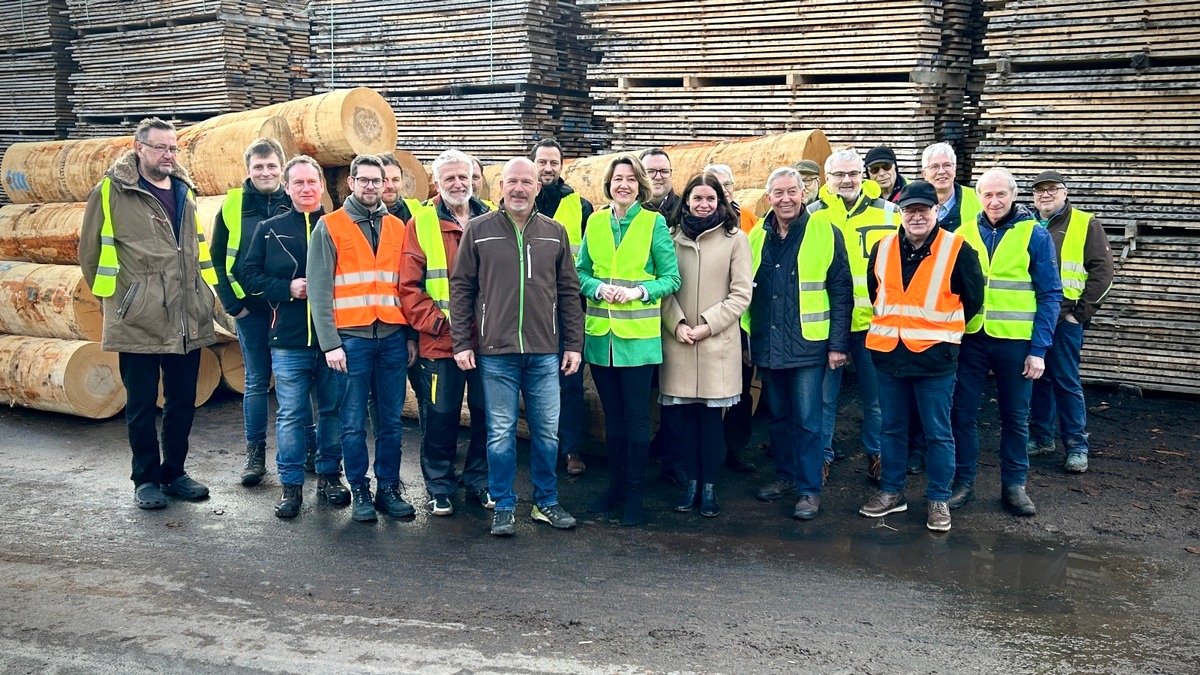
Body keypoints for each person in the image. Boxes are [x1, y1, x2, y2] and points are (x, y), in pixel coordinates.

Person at [79, 117, 218, 509]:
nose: (168, 155)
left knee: (181, 400)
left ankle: (174, 472)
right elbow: (90, 255)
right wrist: (127, 300)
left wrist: (203, 299)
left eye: (173, 148)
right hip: (137, 317)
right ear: (139, 148)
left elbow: (195, 253)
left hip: (187, 316)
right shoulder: (111, 191)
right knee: (140, 404)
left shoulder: (184, 191)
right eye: (160, 147)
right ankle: (145, 479)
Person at [450, 157, 584, 537]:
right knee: (500, 432)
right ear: (500, 187)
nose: (519, 188)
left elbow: (569, 293)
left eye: (526, 182)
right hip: (496, 353)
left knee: (547, 434)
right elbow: (461, 289)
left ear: (536, 188)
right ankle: (504, 505)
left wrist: (573, 344)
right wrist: (462, 341)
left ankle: (545, 502)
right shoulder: (478, 231)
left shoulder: (554, 233)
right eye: (512, 182)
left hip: (545, 352)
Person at [859, 180, 984, 532]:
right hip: (889, 355)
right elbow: (876, 292)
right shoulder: (882, 247)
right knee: (892, 429)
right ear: (900, 212)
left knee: (938, 433)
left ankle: (938, 498)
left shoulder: (958, 249)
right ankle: (892, 493)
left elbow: (972, 301)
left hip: (934, 360)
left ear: (935, 212)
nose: (915, 216)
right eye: (909, 210)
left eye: (923, 210)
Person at [308, 154, 418, 523]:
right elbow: (320, 291)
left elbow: (404, 287)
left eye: (378, 180)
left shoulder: (398, 227)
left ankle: (387, 487)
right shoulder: (329, 226)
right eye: (365, 180)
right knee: (352, 421)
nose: (372, 186)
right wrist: (330, 344)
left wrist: (408, 337)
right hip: (350, 340)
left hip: (390, 337)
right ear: (351, 182)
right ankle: (359, 489)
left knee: (390, 421)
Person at [238, 155, 350, 517]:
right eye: (298, 183)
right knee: (290, 414)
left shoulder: (338, 226)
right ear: (287, 188)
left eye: (311, 182)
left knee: (332, 411)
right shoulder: (270, 228)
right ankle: (290, 486)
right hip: (288, 339)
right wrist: (286, 287)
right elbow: (248, 275)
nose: (306, 188)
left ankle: (331, 476)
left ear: (322, 186)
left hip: (333, 338)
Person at [949, 168, 1062, 517]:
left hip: (1015, 342)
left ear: (1014, 196)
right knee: (962, 414)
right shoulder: (962, 233)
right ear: (978, 197)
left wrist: (1039, 350)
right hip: (970, 339)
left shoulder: (1034, 235)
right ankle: (963, 482)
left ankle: (1014, 485)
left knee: (1015, 416)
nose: (994, 201)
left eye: (1001, 194)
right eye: (987, 194)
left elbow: (1050, 293)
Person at [576, 153, 681, 526]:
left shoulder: (653, 224)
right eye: (618, 179)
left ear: (640, 185)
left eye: (631, 180)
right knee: (613, 418)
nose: (623, 185)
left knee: (638, 419)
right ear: (609, 184)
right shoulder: (596, 221)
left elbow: (671, 279)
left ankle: (636, 493)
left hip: (638, 338)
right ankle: (616, 486)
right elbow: (581, 272)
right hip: (601, 337)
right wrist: (598, 287)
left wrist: (638, 293)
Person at [745, 166, 853, 520]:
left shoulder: (825, 231)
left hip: (810, 345)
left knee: (809, 421)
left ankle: (809, 490)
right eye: (778, 193)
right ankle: (786, 477)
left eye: (792, 191)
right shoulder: (757, 237)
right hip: (769, 342)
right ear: (768, 198)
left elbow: (841, 291)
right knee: (778, 417)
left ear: (803, 194)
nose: (786, 198)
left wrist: (838, 345)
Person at [399, 150, 494, 516]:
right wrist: (441, 325)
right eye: (449, 178)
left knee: (488, 415)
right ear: (437, 183)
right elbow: (409, 287)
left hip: (489, 343)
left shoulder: (494, 219)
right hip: (440, 341)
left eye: (464, 177)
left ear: (475, 178)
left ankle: (479, 480)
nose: (458, 184)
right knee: (441, 416)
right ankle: (439, 485)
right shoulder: (420, 223)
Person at [660, 172, 752, 517]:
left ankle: (709, 488)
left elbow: (741, 293)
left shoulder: (735, 239)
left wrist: (708, 325)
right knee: (683, 422)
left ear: (720, 202)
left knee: (712, 422)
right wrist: (678, 323)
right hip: (680, 342)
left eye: (710, 199)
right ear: (686, 201)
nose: (703, 205)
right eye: (697, 198)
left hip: (717, 345)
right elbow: (663, 288)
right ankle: (691, 487)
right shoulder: (669, 238)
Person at [808, 148, 900, 485]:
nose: (846, 180)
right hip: (826, 322)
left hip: (873, 322)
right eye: (838, 175)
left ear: (862, 175)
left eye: (852, 174)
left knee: (877, 398)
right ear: (827, 179)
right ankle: (821, 458)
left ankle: (878, 455)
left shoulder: (890, 213)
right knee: (823, 398)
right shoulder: (812, 214)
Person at [208, 138, 296, 487]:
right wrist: (233, 306)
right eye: (258, 167)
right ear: (248, 170)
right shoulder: (233, 206)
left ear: (282, 169)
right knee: (258, 382)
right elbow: (215, 258)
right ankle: (255, 455)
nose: (265, 172)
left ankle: (303, 451)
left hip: (292, 309)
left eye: (272, 166)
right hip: (252, 310)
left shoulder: (297, 199)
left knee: (296, 383)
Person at [1026, 170, 1114, 474]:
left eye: (1052, 189)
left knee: (1065, 381)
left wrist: (1080, 314)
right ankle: (1040, 438)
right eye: (1039, 191)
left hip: (1064, 319)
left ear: (1065, 193)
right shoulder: (1026, 223)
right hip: (1033, 318)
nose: (1045, 195)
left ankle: (1076, 445)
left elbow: (1103, 273)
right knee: (1036, 378)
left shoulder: (1084, 223)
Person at [531, 138, 594, 477]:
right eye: (542, 162)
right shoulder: (519, 201)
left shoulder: (581, 206)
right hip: (528, 309)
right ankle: (542, 446)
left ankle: (571, 449)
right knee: (531, 380)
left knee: (569, 383)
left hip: (566, 307)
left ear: (562, 165)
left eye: (554, 162)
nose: (548, 168)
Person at [701, 163, 761, 472]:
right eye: (716, 184)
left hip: (740, 317)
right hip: (704, 315)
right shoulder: (694, 219)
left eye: (728, 185)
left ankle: (736, 447)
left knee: (740, 386)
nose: (723, 190)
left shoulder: (751, 221)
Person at [919, 143, 982, 233]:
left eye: (947, 165)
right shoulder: (912, 204)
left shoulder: (977, 200)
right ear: (924, 174)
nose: (941, 171)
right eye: (934, 167)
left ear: (955, 170)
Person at [639, 148, 681, 215]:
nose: (658, 177)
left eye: (664, 171)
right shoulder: (626, 210)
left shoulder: (684, 209)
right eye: (650, 171)